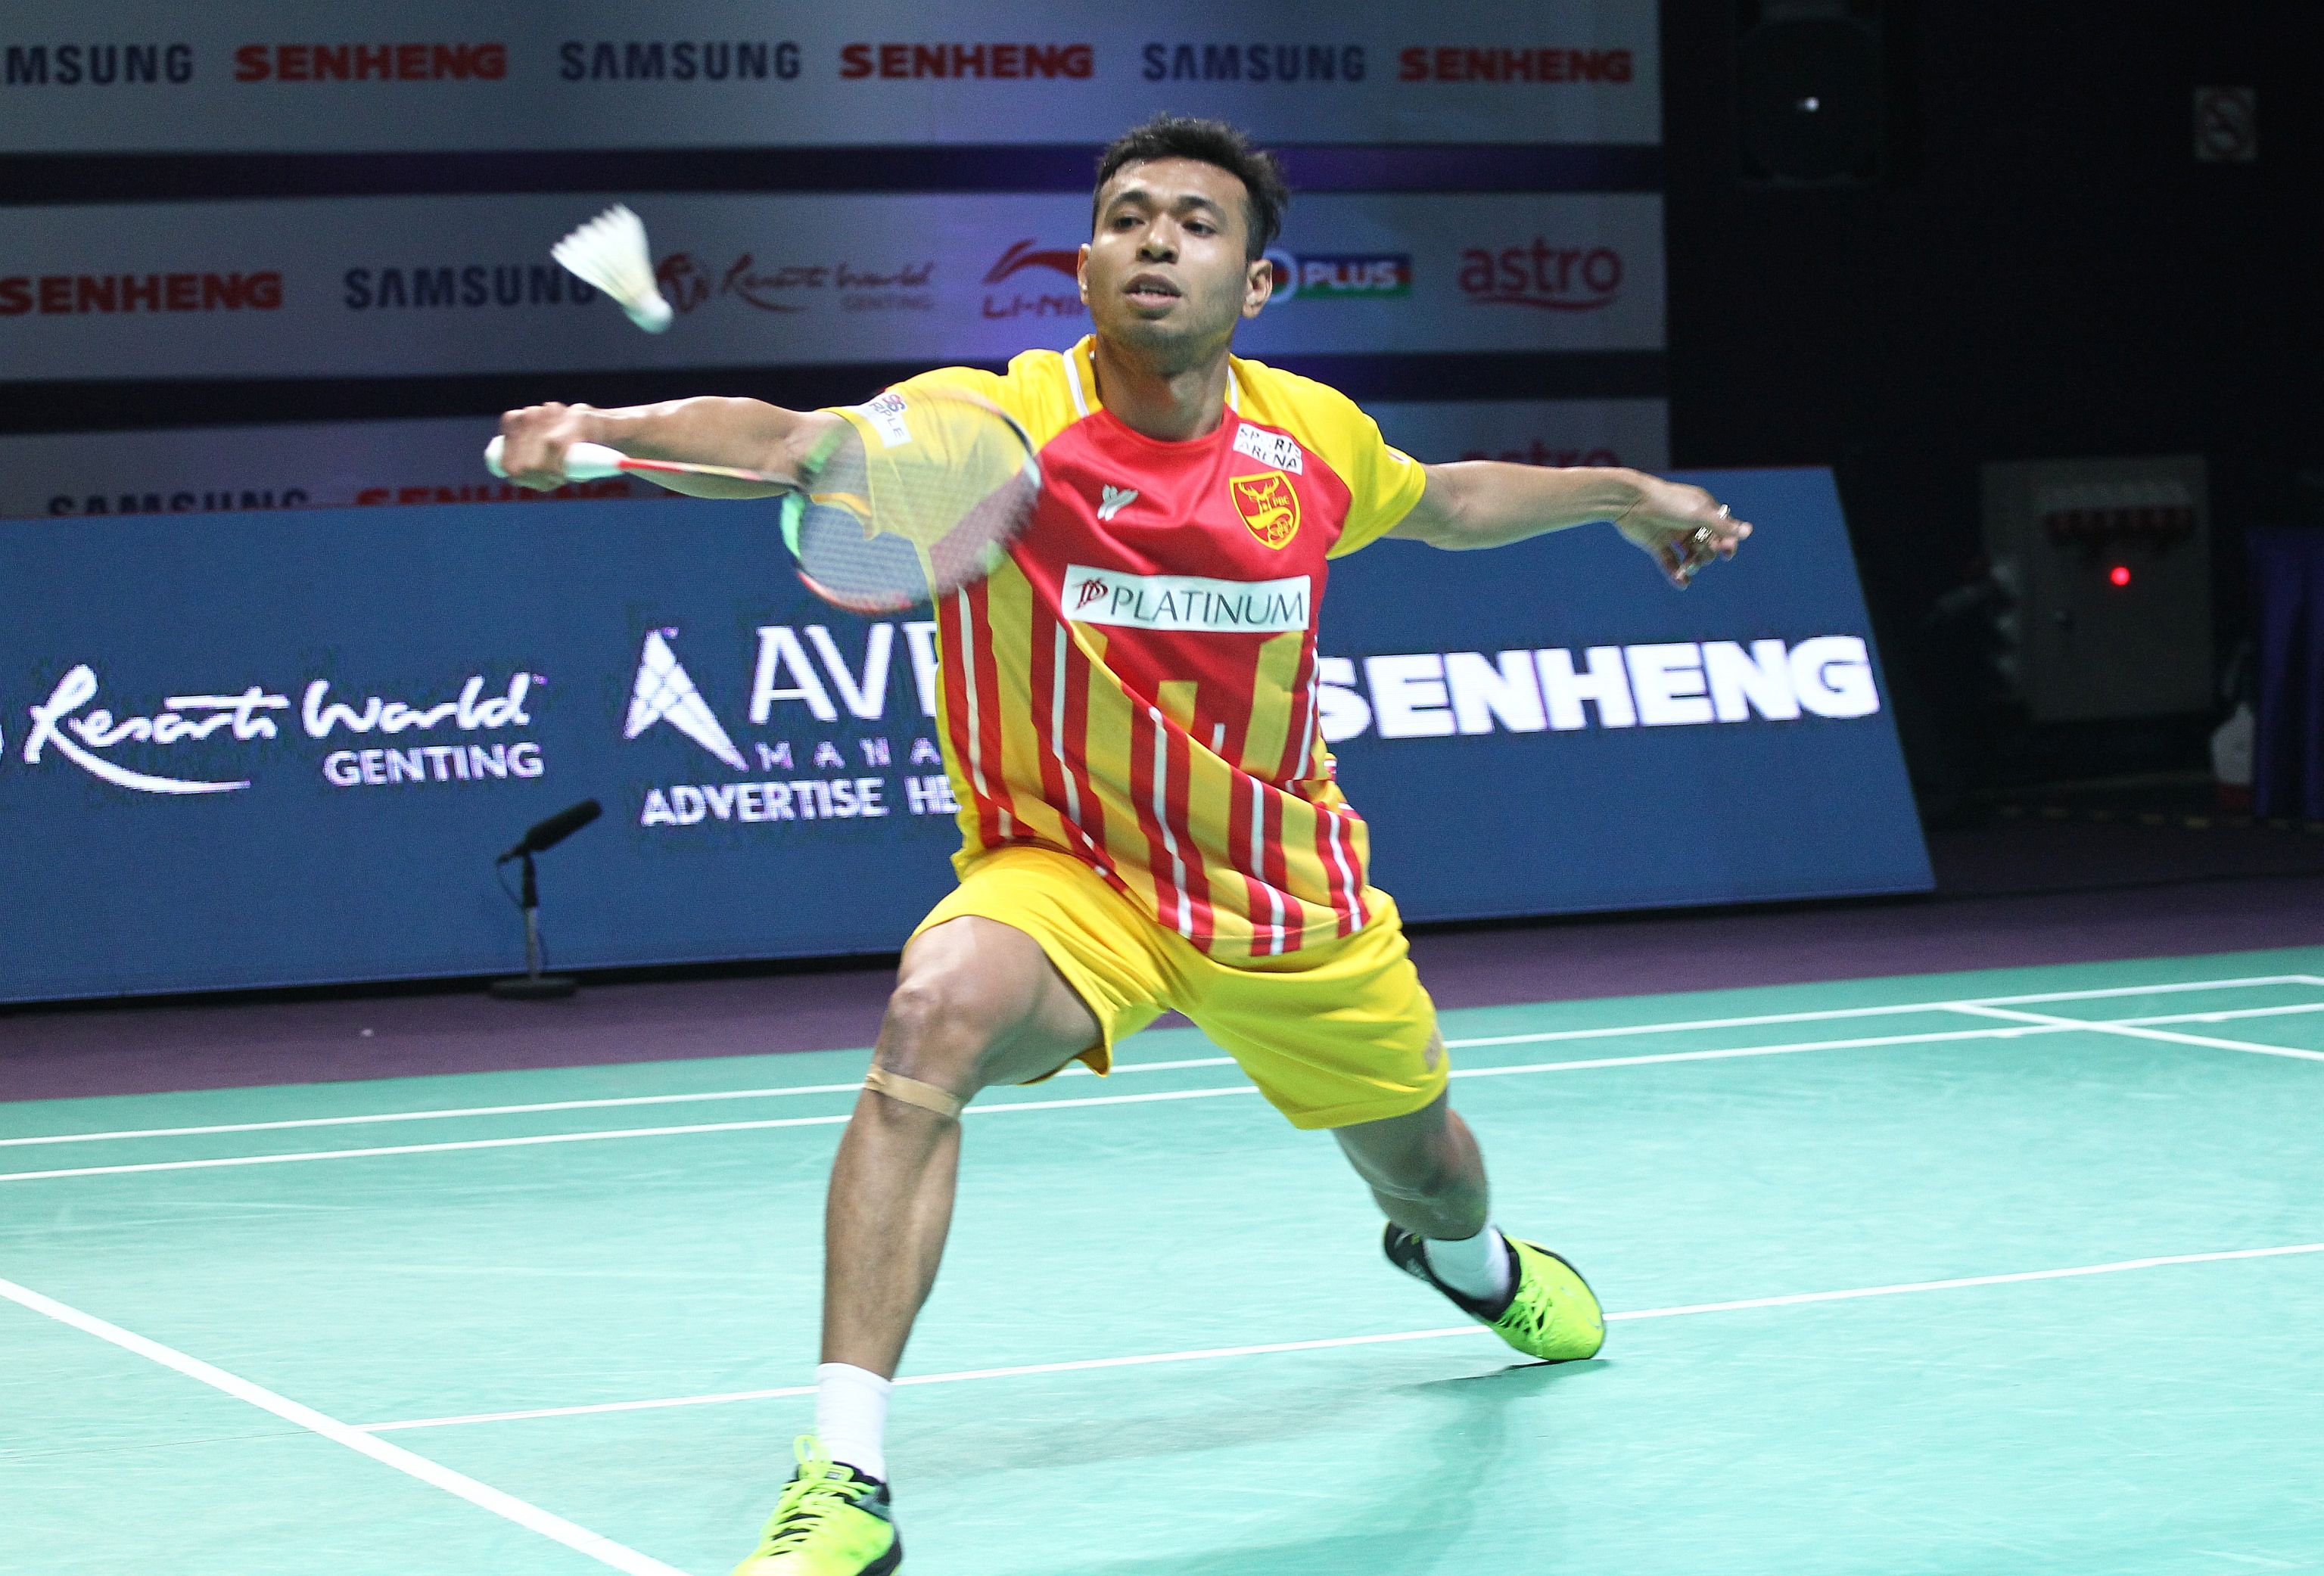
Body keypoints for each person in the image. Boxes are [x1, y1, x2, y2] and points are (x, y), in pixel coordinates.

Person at [498, 114, 1749, 1576]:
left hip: (1283, 890)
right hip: (1070, 876)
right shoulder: (994, 426)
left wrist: (1628, 499)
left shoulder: (1311, 438)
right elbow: (790, 448)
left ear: (1257, 284)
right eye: (1129, 217)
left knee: (1432, 1170)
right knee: (932, 1016)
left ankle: (1466, 1265)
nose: (1158, 239)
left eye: (1197, 223)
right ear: (1085, 265)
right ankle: (845, 1476)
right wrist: (604, 436)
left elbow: (1453, 501)